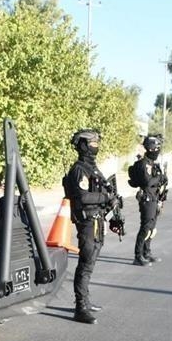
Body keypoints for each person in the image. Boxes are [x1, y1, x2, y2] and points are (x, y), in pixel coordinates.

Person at [62, 129, 114, 325]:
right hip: (87, 222)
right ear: (83, 145)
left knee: (90, 263)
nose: (96, 147)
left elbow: (102, 190)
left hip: (97, 220)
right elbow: (83, 197)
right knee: (86, 262)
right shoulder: (79, 169)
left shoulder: (93, 168)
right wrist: (105, 197)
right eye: (92, 143)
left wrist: (111, 200)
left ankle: (85, 300)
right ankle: (80, 307)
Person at [132, 134, 168, 266]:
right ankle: (138, 256)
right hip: (147, 198)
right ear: (151, 149)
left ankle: (146, 252)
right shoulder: (144, 164)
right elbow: (148, 182)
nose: (158, 151)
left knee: (152, 228)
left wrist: (162, 180)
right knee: (145, 228)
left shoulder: (153, 164)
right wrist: (159, 177)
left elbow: (158, 181)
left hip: (155, 198)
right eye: (157, 148)